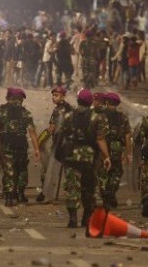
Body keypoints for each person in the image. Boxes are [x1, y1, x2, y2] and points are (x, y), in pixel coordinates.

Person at [58, 89, 111, 228]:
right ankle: (86, 218)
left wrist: (58, 153)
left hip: (71, 157)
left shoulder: (68, 115)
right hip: (89, 158)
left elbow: (61, 135)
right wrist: (107, 156)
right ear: (90, 102)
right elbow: (100, 139)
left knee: (72, 187)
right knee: (89, 188)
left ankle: (73, 218)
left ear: (78, 101)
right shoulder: (98, 117)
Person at [0, 88, 40, 207]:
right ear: (20, 100)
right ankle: (20, 194)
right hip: (21, 146)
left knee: (9, 171)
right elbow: (32, 132)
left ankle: (8, 197)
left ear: (8, 98)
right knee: (22, 169)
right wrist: (37, 149)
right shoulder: (25, 113)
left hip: (5, 145)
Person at [36, 86, 73, 202]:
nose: (53, 97)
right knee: (69, 169)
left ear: (63, 96)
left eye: (56, 95)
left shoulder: (57, 110)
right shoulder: (71, 109)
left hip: (59, 142)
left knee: (51, 169)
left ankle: (46, 194)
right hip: (70, 143)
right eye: (53, 95)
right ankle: (72, 192)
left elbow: (51, 128)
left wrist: (39, 141)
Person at [100, 92, 131, 209]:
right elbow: (127, 137)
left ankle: (105, 195)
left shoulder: (100, 116)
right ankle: (112, 190)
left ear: (107, 102)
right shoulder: (123, 117)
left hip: (103, 146)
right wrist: (129, 153)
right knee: (116, 171)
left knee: (103, 172)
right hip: (117, 147)